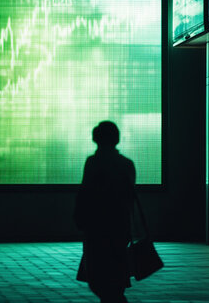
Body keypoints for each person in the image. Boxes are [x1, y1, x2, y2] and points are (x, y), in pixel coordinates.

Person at [73, 121, 135, 303]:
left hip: (96, 226)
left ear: (96, 139)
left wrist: (79, 217)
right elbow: (129, 198)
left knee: (97, 273)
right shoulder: (126, 164)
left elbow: (85, 193)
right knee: (116, 273)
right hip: (119, 226)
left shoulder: (93, 163)